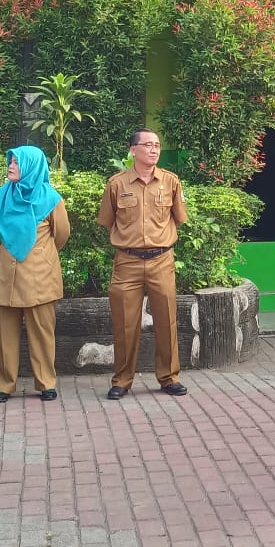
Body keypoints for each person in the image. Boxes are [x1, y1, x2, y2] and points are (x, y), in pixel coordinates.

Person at [97, 128, 188, 400]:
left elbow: (179, 217)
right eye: (148, 145)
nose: (154, 149)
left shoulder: (170, 182)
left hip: (162, 260)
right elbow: (107, 220)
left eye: (157, 145)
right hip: (127, 262)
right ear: (133, 149)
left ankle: (169, 377)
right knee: (125, 323)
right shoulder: (116, 184)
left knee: (167, 320)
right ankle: (122, 381)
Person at [0, 145, 70, 403]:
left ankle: (46, 383)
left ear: (31, 166)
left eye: (17, 162)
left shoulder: (51, 199)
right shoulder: (3, 195)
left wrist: (40, 255)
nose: (11, 166)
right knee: (4, 335)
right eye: (11, 161)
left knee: (42, 332)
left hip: (40, 276)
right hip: (6, 275)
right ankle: (4, 386)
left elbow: (61, 235)